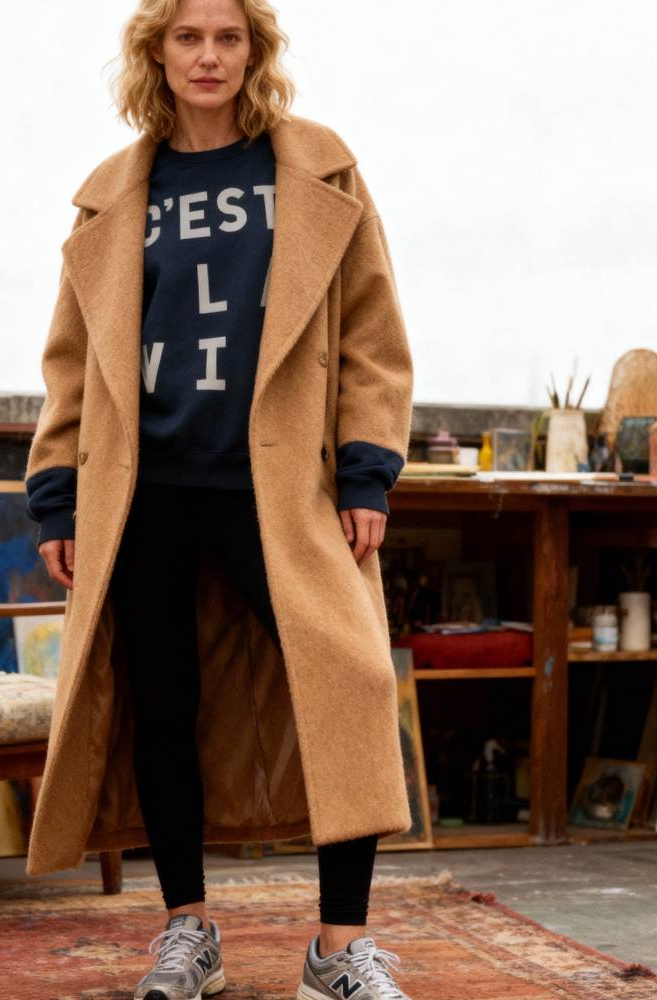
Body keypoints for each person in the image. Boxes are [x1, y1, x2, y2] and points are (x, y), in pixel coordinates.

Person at [25, 1, 415, 998]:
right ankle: (186, 930)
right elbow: (71, 364)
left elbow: (371, 334)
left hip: (282, 485)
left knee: (350, 678)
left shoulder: (318, 169)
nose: (209, 56)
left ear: (255, 51)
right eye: (188, 37)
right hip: (142, 488)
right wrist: (57, 495)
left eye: (228, 37)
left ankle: (337, 948)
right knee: (161, 700)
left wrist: (367, 469)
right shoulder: (113, 196)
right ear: (157, 51)